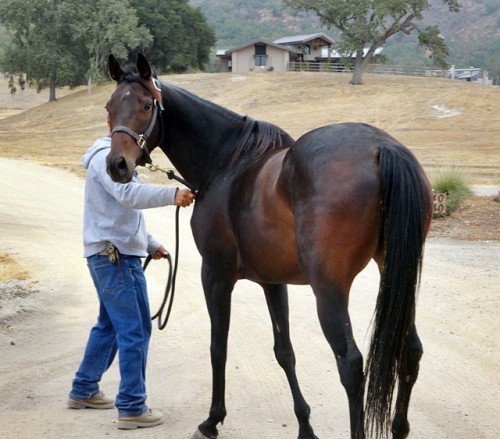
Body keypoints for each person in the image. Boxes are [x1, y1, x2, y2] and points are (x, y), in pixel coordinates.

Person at [67, 131, 195, 430]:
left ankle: (84, 389)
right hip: (116, 257)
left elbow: (120, 212)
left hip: (111, 253)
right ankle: (132, 406)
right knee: (134, 330)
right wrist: (171, 194)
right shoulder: (106, 158)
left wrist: (149, 244)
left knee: (110, 325)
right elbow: (127, 196)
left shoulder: (115, 158)